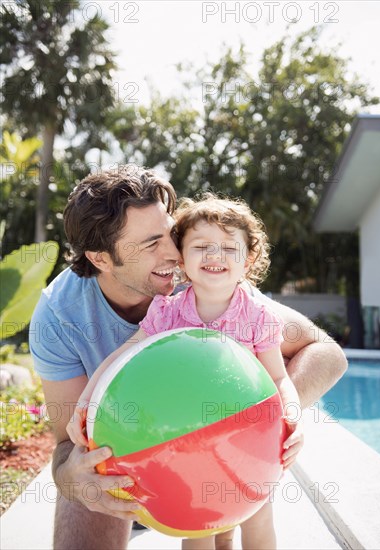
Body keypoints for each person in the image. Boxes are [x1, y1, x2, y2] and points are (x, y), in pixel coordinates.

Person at [29, 165, 347, 550]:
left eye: (169, 234)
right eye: (150, 244)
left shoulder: (202, 279)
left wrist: (249, 424)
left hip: (212, 466)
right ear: (101, 259)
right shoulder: (61, 315)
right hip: (120, 459)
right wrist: (73, 482)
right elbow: (67, 446)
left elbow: (327, 353)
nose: (173, 253)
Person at [67, 193, 304, 549]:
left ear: (249, 257)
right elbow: (125, 355)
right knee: (199, 521)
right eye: (201, 246)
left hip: (247, 441)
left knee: (258, 517)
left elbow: (278, 378)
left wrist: (294, 422)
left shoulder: (258, 316)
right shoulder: (168, 312)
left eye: (228, 247)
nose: (214, 256)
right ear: (181, 256)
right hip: (184, 439)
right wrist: (86, 402)